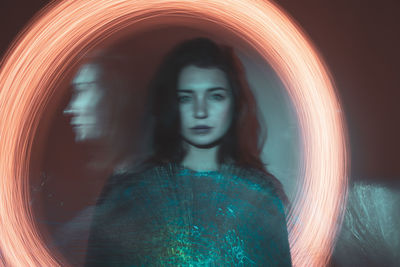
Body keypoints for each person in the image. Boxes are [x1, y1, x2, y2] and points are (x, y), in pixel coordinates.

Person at [84, 37, 292, 266]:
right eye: (186, 98)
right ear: (172, 105)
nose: (200, 111)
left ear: (234, 104)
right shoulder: (130, 193)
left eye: (216, 96)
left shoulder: (259, 196)